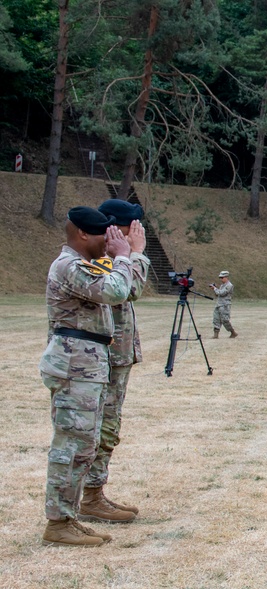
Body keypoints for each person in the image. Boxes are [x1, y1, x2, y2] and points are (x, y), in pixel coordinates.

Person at [40, 207, 135, 546]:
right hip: (74, 366)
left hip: (87, 364)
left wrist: (117, 256)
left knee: (85, 444)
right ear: (82, 234)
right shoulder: (68, 266)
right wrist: (124, 255)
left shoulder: (83, 265)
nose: (109, 242)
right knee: (71, 446)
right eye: (103, 236)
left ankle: (69, 515)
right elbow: (115, 291)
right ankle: (58, 523)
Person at [74, 199, 150, 526]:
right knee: (101, 427)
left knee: (110, 425)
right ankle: (89, 497)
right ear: (115, 227)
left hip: (115, 354)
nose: (137, 232)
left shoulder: (115, 255)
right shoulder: (102, 257)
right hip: (102, 356)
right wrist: (137, 251)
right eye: (131, 226)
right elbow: (129, 289)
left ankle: (94, 493)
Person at [210, 271, 237, 338]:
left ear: (226, 277)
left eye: (222, 278)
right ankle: (216, 335)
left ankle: (233, 332)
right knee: (216, 319)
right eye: (220, 278)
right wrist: (215, 289)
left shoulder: (229, 285)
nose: (221, 279)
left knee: (225, 320)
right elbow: (218, 294)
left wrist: (215, 289)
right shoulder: (222, 285)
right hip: (219, 304)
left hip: (225, 305)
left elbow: (222, 293)